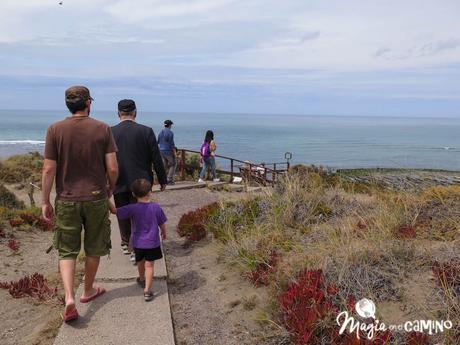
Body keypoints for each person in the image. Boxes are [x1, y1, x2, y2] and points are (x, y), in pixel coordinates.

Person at [41, 86, 118, 322]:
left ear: (68, 104)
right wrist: (110, 189)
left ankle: (69, 298)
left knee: (67, 250)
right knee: (94, 247)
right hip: (95, 198)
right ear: (88, 103)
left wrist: (45, 201)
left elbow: (48, 169)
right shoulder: (102, 128)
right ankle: (87, 291)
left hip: (66, 199)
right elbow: (113, 168)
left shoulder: (55, 129)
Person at [111, 100, 167, 262]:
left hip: (118, 179)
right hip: (141, 181)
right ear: (135, 113)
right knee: (140, 214)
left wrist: (105, 182)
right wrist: (162, 179)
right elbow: (156, 158)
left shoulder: (110, 132)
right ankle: (135, 247)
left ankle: (125, 242)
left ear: (118, 114)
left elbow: (105, 159)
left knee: (122, 211)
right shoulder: (146, 131)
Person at [108, 179, 167, 302]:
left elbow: (115, 211)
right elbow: (162, 223)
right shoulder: (156, 207)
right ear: (150, 192)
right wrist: (164, 232)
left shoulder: (132, 208)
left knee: (140, 262)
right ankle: (147, 290)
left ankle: (141, 278)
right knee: (149, 266)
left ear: (133, 194)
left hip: (138, 243)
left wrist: (105, 198)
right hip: (152, 242)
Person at [158, 119, 177, 185]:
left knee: (165, 165)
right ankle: (169, 179)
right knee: (173, 164)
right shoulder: (170, 132)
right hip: (168, 151)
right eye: (171, 125)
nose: (171, 126)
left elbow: (158, 142)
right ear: (169, 125)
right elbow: (172, 144)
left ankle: (163, 179)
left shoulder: (161, 132)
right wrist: (174, 152)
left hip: (161, 150)